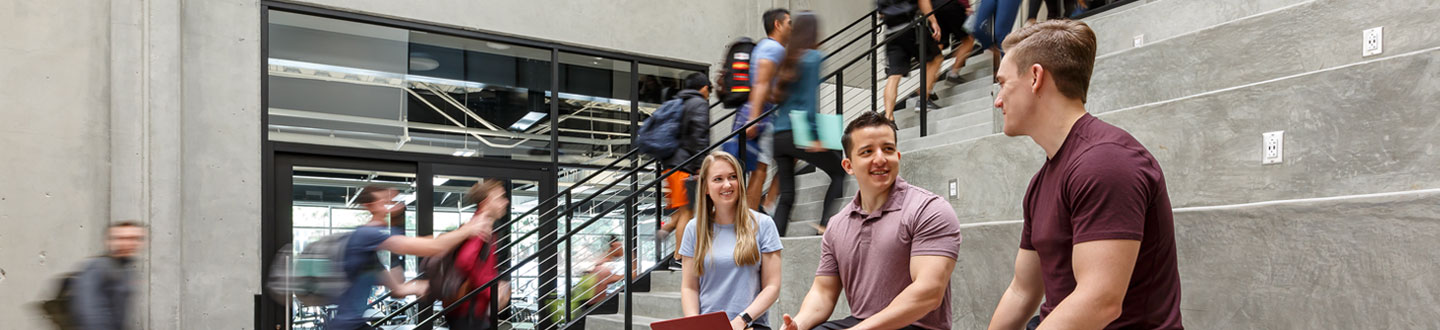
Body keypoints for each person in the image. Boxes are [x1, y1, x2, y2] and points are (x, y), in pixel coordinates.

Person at [986, 20, 1183, 330]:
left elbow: (1099, 301)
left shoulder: (1106, 161)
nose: (998, 100)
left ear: (1035, 77)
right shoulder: (1041, 182)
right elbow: (1022, 291)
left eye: (1002, 83)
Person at [781, 111, 963, 330]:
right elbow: (823, 292)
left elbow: (928, 293)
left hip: (916, 326)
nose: (880, 159)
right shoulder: (837, 225)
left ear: (898, 156)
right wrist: (797, 325)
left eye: (888, 149)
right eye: (867, 152)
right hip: (861, 323)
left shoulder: (929, 209)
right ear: (848, 166)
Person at [329, 185, 501, 330]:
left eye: (390, 201)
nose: (390, 205)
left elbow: (398, 289)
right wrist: (469, 229)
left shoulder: (370, 254)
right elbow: (432, 247)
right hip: (347, 325)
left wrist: (432, 286)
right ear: (370, 206)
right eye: (384, 202)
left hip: (352, 323)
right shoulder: (366, 234)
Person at [680, 151, 784, 330]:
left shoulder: (764, 224)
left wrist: (741, 320)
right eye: (718, 179)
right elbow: (689, 288)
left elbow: (772, 287)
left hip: (749, 324)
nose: (727, 184)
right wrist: (694, 324)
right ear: (705, 187)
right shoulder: (693, 229)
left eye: (732, 177)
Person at [768, 11, 847, 236]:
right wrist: (814, 136)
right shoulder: (813, 57)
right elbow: (810, 101)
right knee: (840, 173)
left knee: (787, 195)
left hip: (778, 137)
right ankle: (824, 225)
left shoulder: (786, 58)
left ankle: (772, 243)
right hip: (798, 132)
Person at [736, 8, 792, 211]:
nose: (791, 28)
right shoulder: (774, 49)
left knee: (763, 167)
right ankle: (755, 216)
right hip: (763, 114)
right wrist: (754, 118)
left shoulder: (764, 47)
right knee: (760, 170)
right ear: (777, 25)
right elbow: (761, 84)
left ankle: (763, 206)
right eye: (789, 23)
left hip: (762, 113)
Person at [658, 72, 714, 267]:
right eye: (709, 89)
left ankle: (666, 229)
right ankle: (678, 258)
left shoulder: (678, 102)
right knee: (688, 213)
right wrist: (701, 165)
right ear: (704, 88)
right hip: (685, 166)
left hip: (669, 166)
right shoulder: (698, 104)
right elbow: (700, 135)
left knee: (680, 212)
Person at [444, 180, 513, 330]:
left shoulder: (485, 227)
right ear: (487, 202)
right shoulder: (479, 227)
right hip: (469, 315)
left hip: (472, 313)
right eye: (500, 197)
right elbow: (465, 262)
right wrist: (491, 291)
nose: (505, 201)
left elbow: (480, 266)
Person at [70, 221, 147, 330]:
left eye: (134, 238)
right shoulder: (98, 268)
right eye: (121, 238)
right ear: (109, 241)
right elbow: (89, 312)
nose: (128, 243)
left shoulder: (125, 269)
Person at [880, 0, 946, 120]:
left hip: (891, 33)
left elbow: (881, 13)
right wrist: (933, 21)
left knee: (894, 75)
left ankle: (889, 117)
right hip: (911, 28)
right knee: (936, 59)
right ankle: (923, 101)